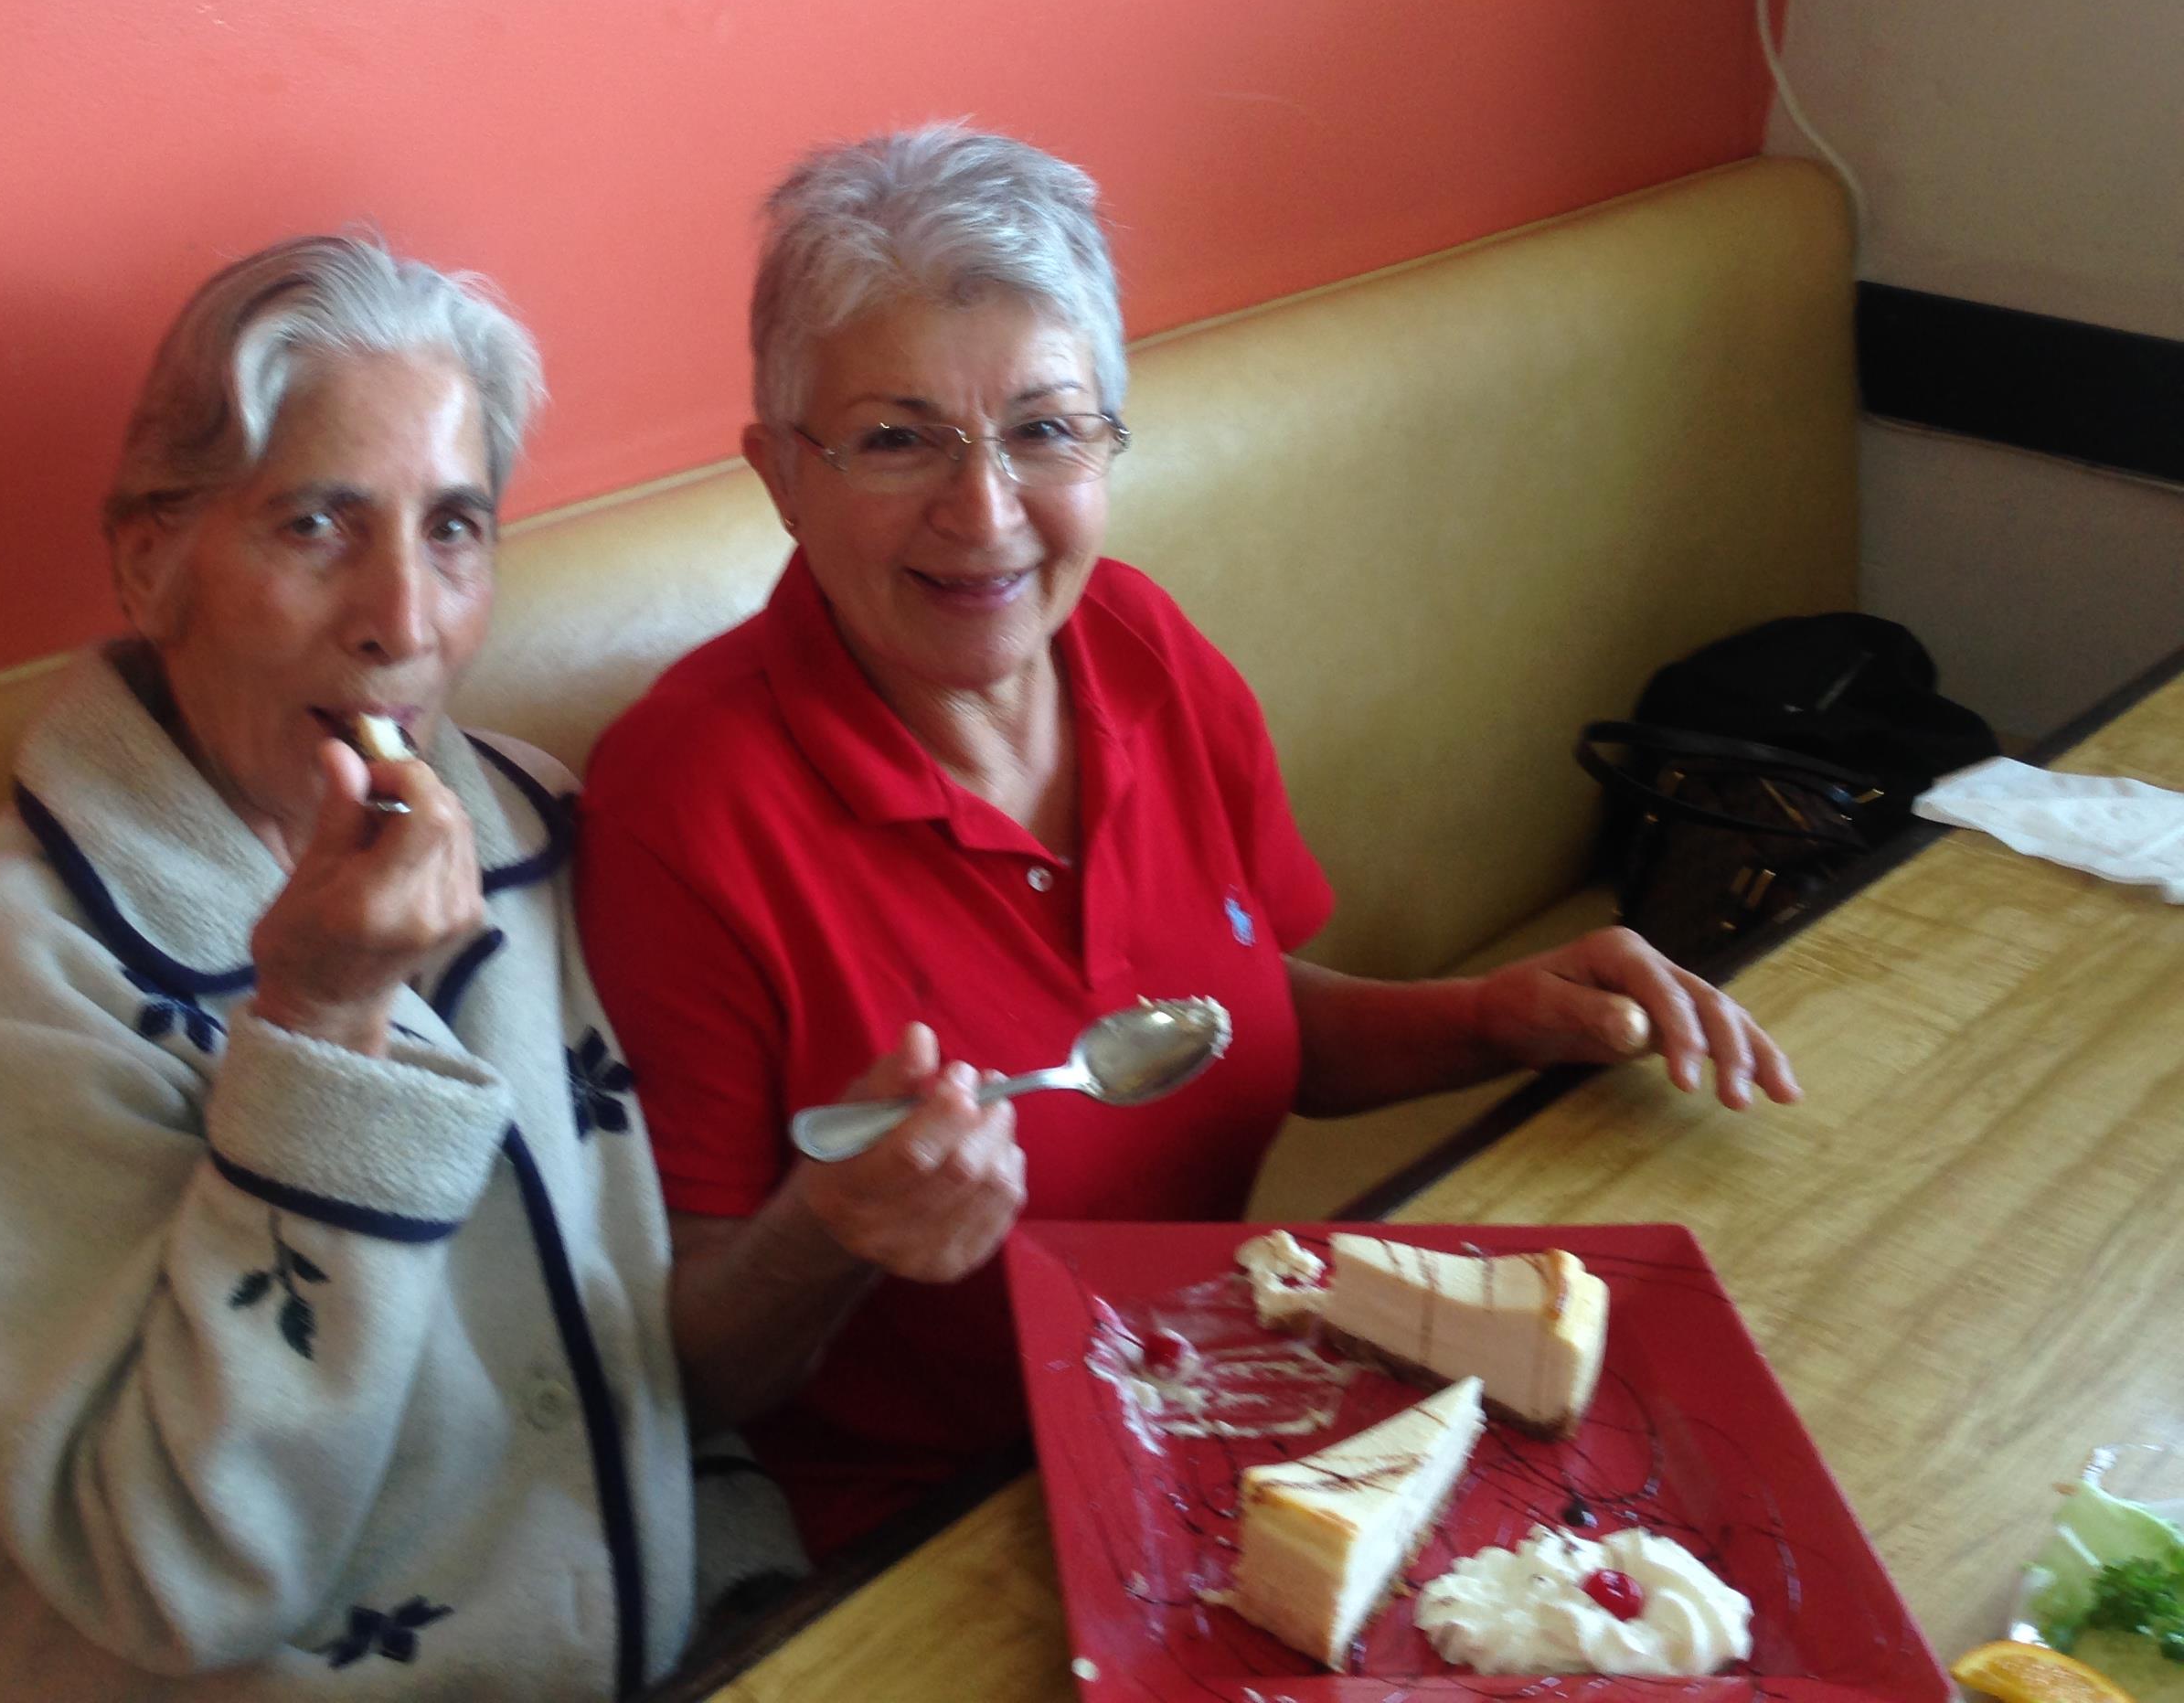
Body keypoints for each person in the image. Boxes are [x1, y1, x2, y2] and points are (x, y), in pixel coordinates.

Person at [576, 126, 1801, 1560]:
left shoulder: (1141, 648)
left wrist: (1498, 1015)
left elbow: (1234, 1022)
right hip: (945, 1530)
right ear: (782, 472)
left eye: (1044, 429)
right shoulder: (684, 802)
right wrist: (837, 1234)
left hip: (1241, 1401)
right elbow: (689, 1372)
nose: (983, 514)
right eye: (898, 438)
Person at [0, 235, 792, 1701]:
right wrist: (327, 1025)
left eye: (455, 527)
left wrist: (756, 1593)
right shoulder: (3, 967)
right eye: (317, 526)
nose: (402, 621)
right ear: (153, 558)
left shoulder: (528, 829)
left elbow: (618, 1358)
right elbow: (181, 1570)